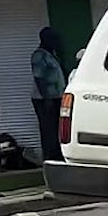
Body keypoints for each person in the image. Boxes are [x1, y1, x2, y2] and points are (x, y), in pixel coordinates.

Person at [31, 27, 67, 162]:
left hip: (56, 96)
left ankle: (57, 154)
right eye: (54, 38)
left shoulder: (51, 54)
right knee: (48, 127)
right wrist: (47, 99)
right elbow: (39, 78)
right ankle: (50, 156)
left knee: (56, 126)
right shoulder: (39, 55)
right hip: (45, 98)